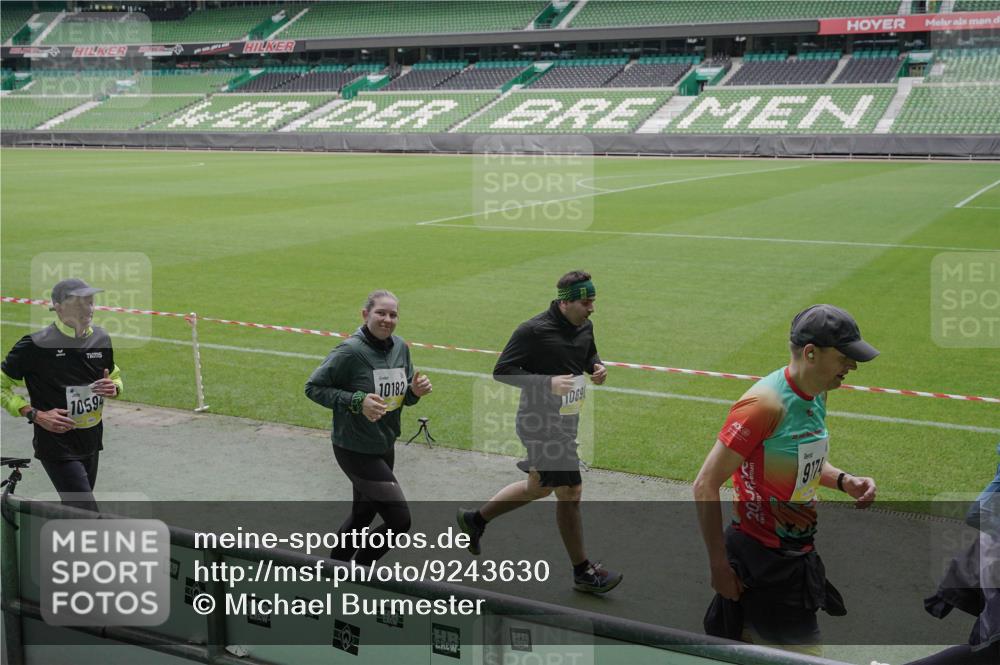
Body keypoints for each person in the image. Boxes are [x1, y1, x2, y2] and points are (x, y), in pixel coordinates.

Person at [694, 304, 879, 653]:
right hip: (763, 561)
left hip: (794, 558)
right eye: (845, 357)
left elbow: (794, 463)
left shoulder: (816, 393)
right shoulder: (764, 405)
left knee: (744, 646)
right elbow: (705, 483)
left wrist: (844, 481)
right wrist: (718, 566)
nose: (852, 366)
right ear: (811, 353)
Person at [456, 270, 621, 594]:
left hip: (566, 420)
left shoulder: (584, 325)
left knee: (539, 488)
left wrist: (596, 367)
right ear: (566, 302)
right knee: (570, 492)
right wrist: (546, 383)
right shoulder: (532, 331)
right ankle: (583, 572)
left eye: (593, 302)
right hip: (538, 423)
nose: (592, 309)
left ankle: (475, 519)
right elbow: (502, 371)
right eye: (586, 302)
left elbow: (587, 353)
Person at [305, 290, 431, 565]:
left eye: (393, 314)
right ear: (365, 315)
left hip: (384, 444)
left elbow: (399, 398)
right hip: (354, 448)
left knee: (362, 517)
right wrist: (356, 401)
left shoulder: (400, 347)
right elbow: (313, 388)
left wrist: (414, 391)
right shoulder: (349, 351)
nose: (387, 319)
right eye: (381, 313)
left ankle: (332, 575)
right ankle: (359, 572)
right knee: (399, 521)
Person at [0, 279, 123, 511]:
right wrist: (34, 414)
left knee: (76, 512)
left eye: (90, 302)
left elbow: (115, 375)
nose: (88, 309)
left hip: (91, 441)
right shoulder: (35, 345)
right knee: (87, 513)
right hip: (56, 445)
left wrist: (114, 387)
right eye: (79, 304)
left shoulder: (101, 339)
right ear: (58, 306)